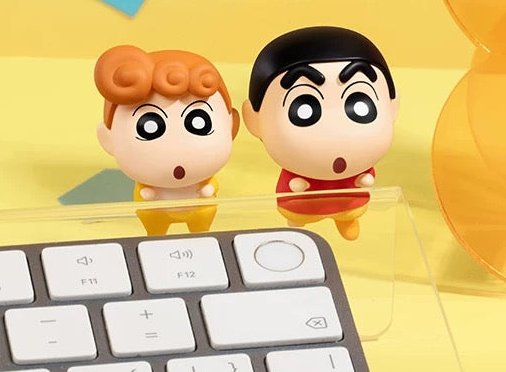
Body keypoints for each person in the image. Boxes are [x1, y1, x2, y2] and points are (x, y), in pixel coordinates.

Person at [244, 26, 398, 241]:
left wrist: (365, 178)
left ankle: (346, 220)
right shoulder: (295, 166)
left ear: (393, 107)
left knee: (348, 213)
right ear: (254, 121)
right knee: (298, 221)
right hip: (303, 204)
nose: (336, 131)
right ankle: (298, 226)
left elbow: (367, 177)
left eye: (359, 105)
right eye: (304, 109)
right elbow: (292, 184)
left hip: (349, 201)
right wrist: (297, 185)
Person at [95, 45, 239, 235]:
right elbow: (143, 193)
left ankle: (201, 234)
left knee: (201, 232)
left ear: (231, 125)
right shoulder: (147, 179)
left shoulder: (205, 178)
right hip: (156, 213)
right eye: (149, 128)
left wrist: (208, 188)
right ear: (107, 139)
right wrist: (148, 193)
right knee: (155, 233)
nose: (178, 148)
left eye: (199, 123)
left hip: (199, 211)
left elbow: (212, 186)